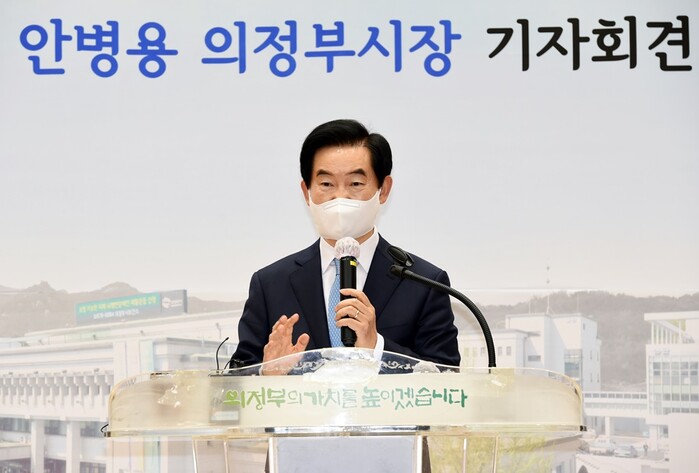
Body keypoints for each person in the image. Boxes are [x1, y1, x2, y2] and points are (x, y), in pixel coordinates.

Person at [230, 119, 460, 369]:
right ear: (307, 191)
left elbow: (446, 375)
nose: (340, 196)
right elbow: (237, 377)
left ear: (383, 189)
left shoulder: (425, 283)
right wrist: (268, 374)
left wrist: (377, 348)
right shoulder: (270, 284)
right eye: (326, 184)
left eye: (355, 184)